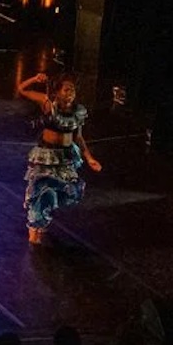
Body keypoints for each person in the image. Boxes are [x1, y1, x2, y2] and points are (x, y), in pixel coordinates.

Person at [17, 71, 101, 244]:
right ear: (57, 92)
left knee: (59, 190)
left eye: (72, 90)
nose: (70, 94)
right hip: (47, 156)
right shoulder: (48, 103)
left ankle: (43, 219)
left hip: (66, 155)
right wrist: (35, 78)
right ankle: (34, 229)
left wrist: (89, 157)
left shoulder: (78, 111)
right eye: (66, 90)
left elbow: (78, 137)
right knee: (41, 190)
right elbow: (21, 89)